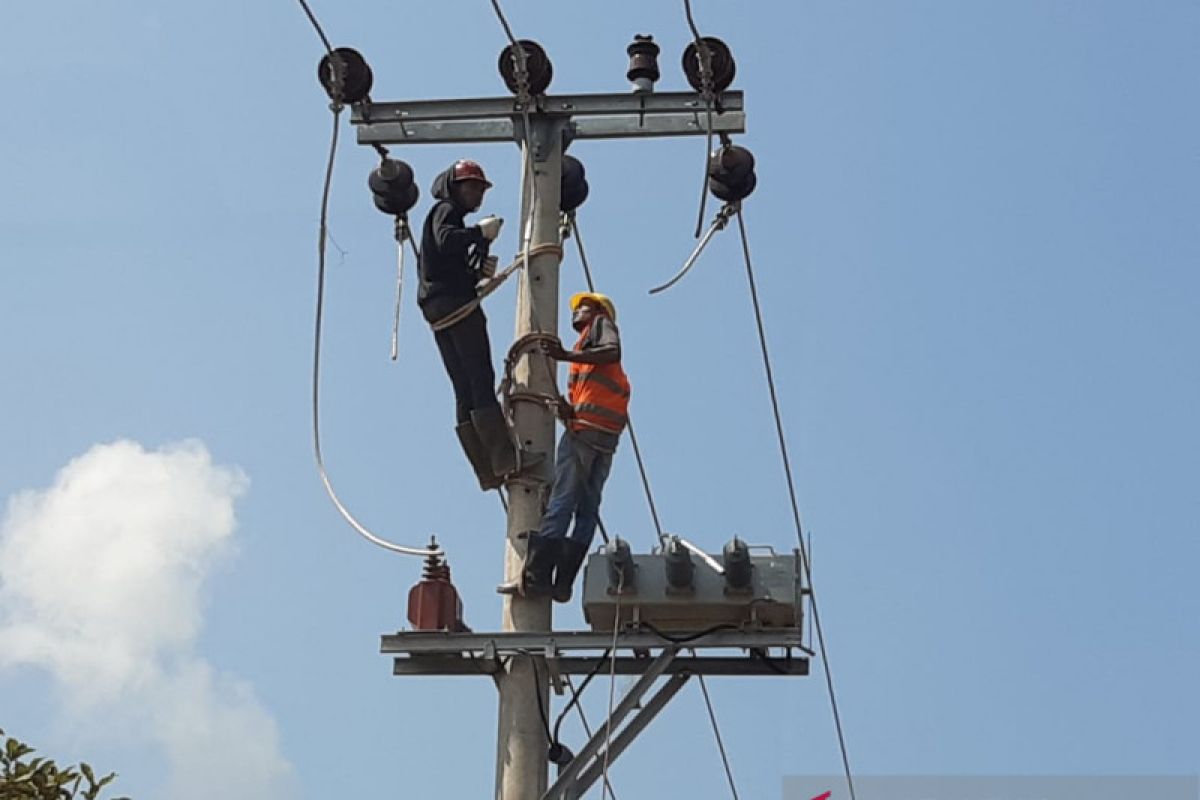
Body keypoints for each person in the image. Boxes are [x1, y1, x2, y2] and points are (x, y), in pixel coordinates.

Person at [419, 159, 522, 490]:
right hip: (453, 303)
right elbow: (446, 240)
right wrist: (479, 232)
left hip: (438, 305)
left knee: (463, 387)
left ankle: (486, 468)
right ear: (455, 187)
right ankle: (504, 458)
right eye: (472, 187)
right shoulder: (445, 211)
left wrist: (476, 269)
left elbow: (446, 256)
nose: (477, 195)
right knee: (480, 377)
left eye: (480, 189)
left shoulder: (448, 217)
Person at [524, 292, 630, 602]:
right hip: (604, 440)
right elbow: (589, 400)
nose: (578, 311)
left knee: (562, 502)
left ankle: (538, 573)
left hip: (586, 436)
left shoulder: (600, 327)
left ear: (598, 310)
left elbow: (612, 351)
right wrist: (564, 409)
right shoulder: (583, 361)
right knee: (587, 511)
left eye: (583, 305)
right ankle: (563, 582)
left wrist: (564, 357)